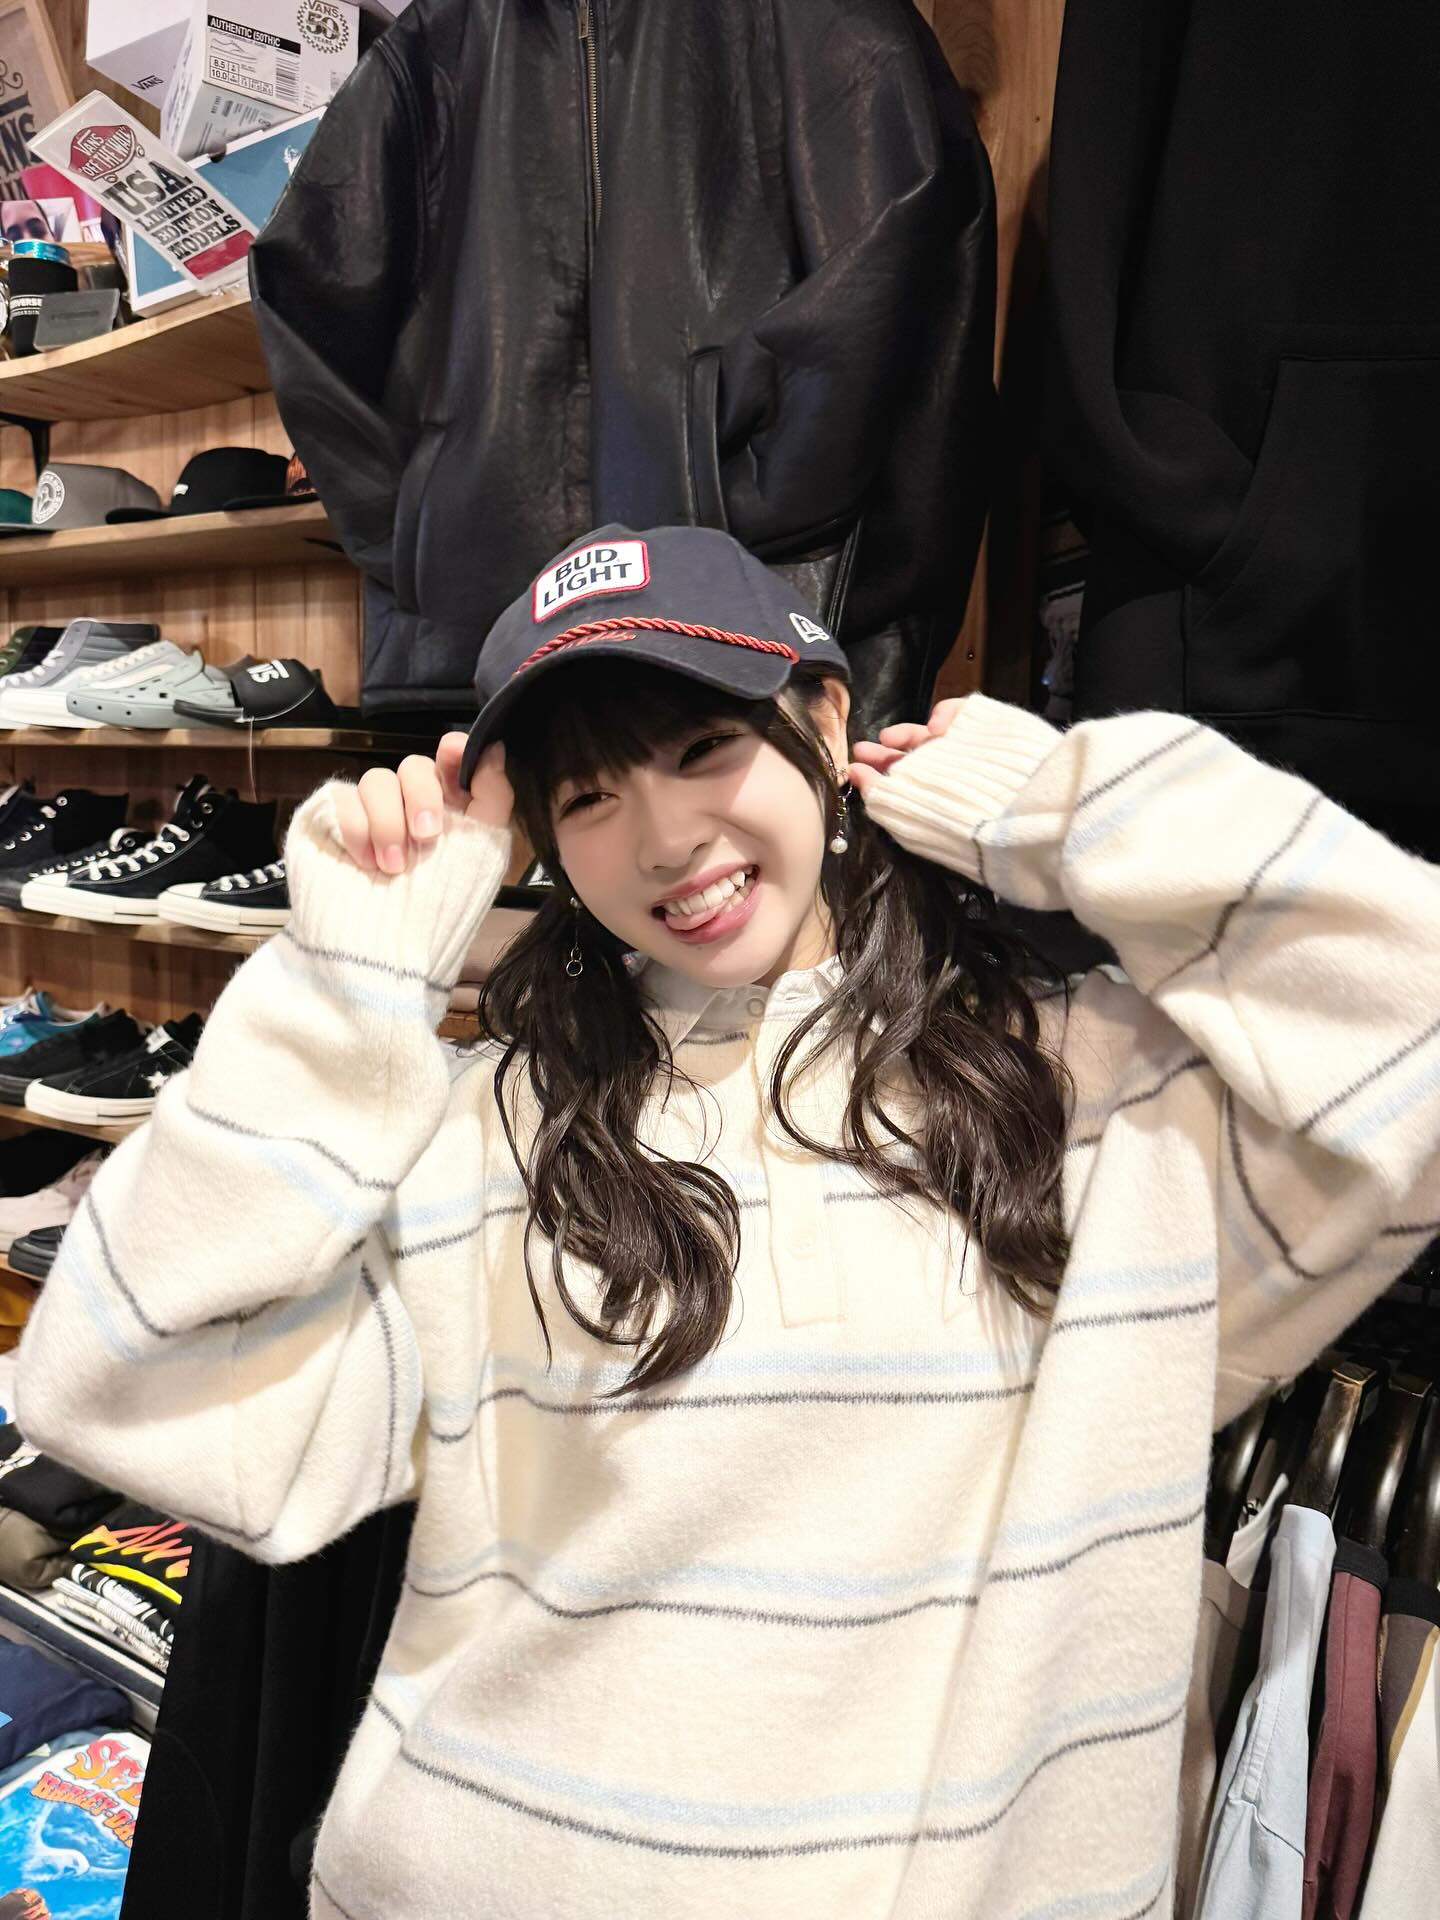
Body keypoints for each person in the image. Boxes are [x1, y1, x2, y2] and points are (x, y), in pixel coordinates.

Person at [15, 524, 1440, 1918]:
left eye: (705, 746)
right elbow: (114, 1388)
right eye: (587, 796)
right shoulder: (495, 1132)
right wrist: (345, 984)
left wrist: (1061, 806)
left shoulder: (1085, 1096)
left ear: (824, 716)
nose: (664, 839)